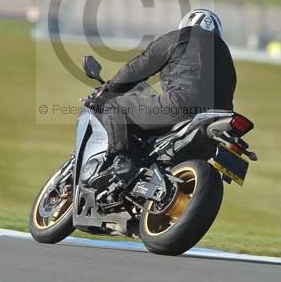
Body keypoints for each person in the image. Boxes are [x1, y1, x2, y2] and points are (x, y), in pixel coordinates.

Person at [93, 9, 237, 184]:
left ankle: (122, 161)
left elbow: (138, 68)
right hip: (218, 120)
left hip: (182, 104)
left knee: (115, 106)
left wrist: (108, 90)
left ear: (186, 24)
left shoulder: (181, 36)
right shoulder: (226, 55)